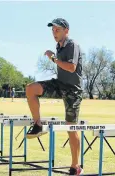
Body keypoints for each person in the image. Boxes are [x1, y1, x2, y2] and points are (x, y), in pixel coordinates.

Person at [25, 18, 83, 175]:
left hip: (73, 90)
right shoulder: (59, 46)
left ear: (66, 31)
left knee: (71, 126)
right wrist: (54, 56)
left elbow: (71, 67)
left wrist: (53, 58)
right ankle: (38, 125)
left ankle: (75, 166)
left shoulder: (72, 45)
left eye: (57, 30)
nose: (54, 33)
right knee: (31, 89)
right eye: (52, 30)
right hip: (59, 84)